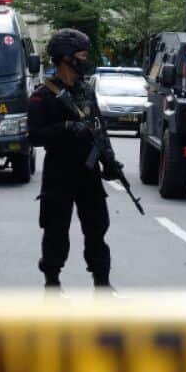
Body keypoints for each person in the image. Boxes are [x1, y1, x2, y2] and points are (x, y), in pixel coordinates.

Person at [28, 28, 121, 291]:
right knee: (56, 231)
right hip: (59, 174)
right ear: (66, 58)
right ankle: (52, 284)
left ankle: (102, 284)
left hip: (88, 174)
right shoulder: (42, 96)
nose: (85, 60)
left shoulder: (86, 91)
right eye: (81, 55)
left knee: (97, 230)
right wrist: (66, 128)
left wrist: (110, 161)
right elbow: (33, 136)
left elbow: (100, 128)